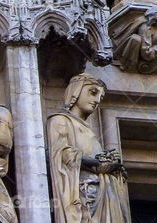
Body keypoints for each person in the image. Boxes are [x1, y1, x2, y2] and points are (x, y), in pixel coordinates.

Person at [48, 74, 130, 223]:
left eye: (100, 97)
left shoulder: (88, 130)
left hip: (101, 194)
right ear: (76, 90)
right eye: (93, 92)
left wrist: (115, 171)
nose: (97, 100)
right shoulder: (59, 120)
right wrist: (97, 165)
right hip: (83, 193)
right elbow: (60, 154)